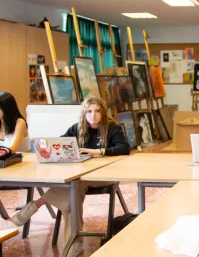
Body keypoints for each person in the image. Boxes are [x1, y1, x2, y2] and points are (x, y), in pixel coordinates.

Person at [10, 97, 130, 257]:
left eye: (97, 111)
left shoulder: (112, 127)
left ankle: (37, 204)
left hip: (104, 175)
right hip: (80, 177)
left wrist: (95, 152)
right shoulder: (78, 128)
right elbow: (60, 142)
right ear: (84, 114)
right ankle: (74, 244)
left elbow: (124, 148)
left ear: (103, 112)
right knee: (73, 191)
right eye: (89, 111)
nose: (93, 115)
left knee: (73, 185)